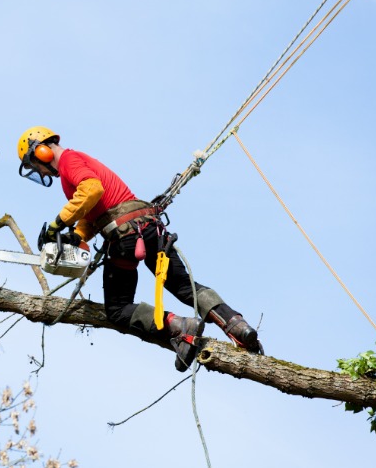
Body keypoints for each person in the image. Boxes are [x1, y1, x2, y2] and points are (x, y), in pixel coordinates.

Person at [17, 126, 263, 371]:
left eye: (34, 164)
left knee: (118, 309)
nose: (38, 170)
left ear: (41, 151)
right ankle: (237, 325)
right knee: (183, 285)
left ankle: (178, 327)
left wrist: (57, 224)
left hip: (125, 236)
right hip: (148, 229)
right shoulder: (77, 162)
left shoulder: (69, 160)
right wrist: (76, 235)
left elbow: (92, 190)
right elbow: (92, 211)